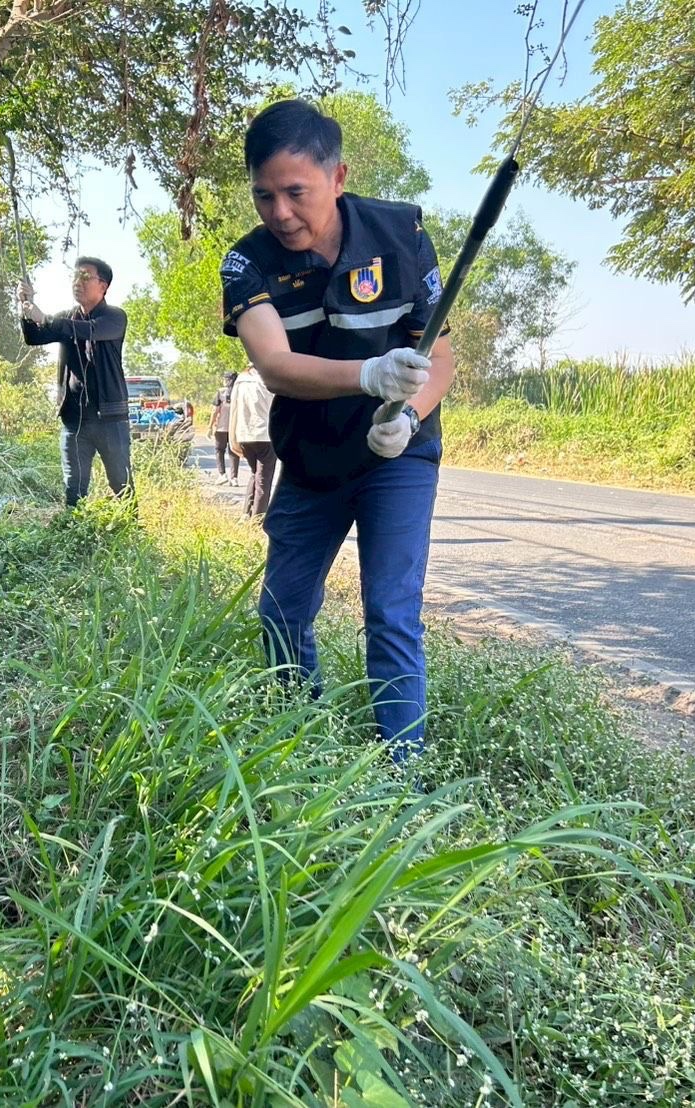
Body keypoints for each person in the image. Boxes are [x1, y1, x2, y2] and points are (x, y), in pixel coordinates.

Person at [219, 99, 455, 763]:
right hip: (312, 457)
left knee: (390, 611)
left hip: (397, 456)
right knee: (282, 610)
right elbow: (275, 364)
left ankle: (403, 771)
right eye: (264, 195)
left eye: (295, 192)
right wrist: (370, 375)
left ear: (338, 177)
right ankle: (300, 746)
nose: (280, 212)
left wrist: (409, 414)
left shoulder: (401, 234)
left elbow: (439, 357)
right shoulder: (246, 264)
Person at [19, 257, 130, 508]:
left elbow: (88, 330)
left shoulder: (114, 317)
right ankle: (74, 530)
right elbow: (33, 337)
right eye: (75, 276)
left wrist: (45, 318)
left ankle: (131, 529)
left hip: (110, 420)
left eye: (85, 277)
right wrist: (25, 305)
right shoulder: (67, 318)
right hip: (74, 420)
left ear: (103, 286)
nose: (77, 282)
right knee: (74, 491)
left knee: (122, 486)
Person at [227, 363, 276, 518]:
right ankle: (258, 518)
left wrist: (233, 439)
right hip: (264, 435)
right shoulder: (269, 379)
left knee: (255, 474)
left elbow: (234, 411)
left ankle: (246, 513)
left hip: (244, 434)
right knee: (263, 480)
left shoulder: (240, 380)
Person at [210, 372, 241, 486]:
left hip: (221, 427)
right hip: (235, 427)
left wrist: (210, 426)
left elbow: (215, 410)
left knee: (219, 450)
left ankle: (222, 474)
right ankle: (234, 477)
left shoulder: (220, 392)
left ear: (228, 380)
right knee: (234, 451)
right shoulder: (239, 392)